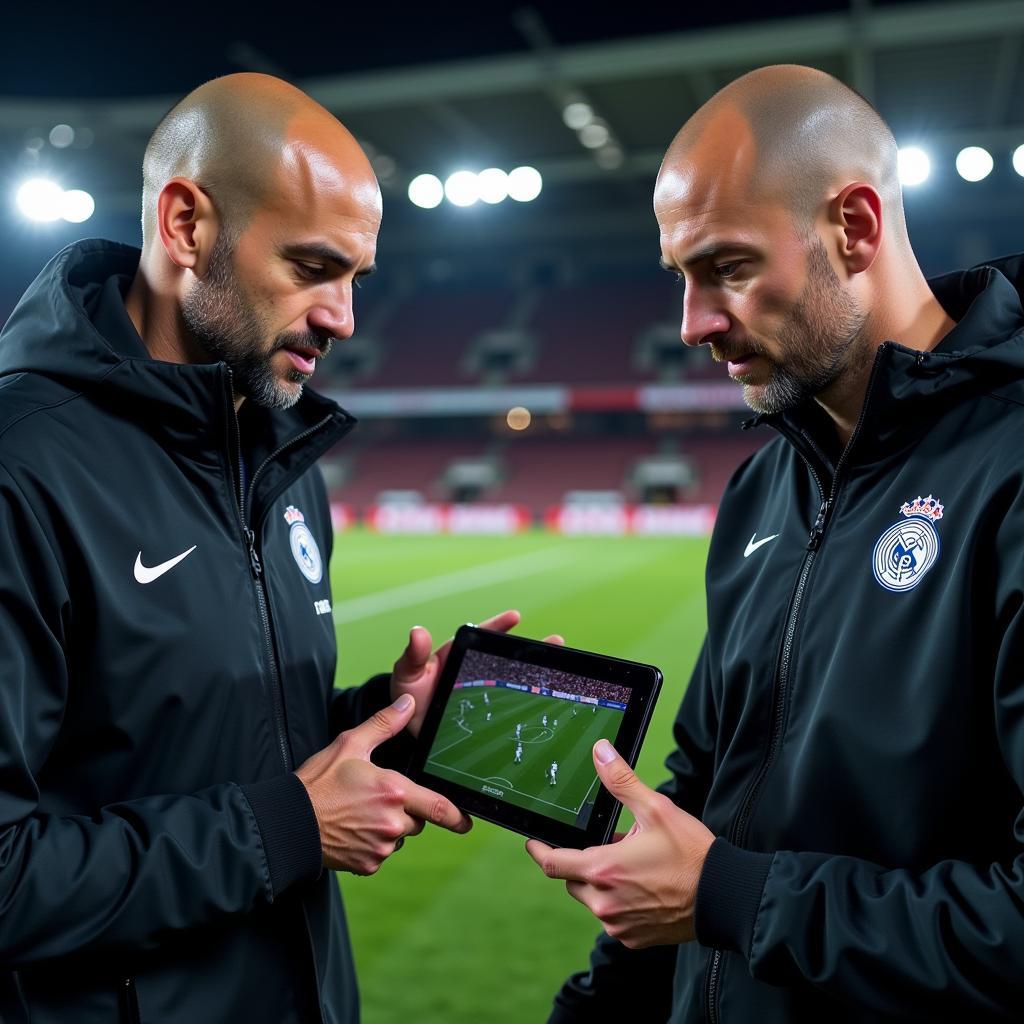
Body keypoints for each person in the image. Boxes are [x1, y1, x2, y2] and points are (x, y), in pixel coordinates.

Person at [0, 72, 526, 1024]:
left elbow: (203, 743)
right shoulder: (22, 466)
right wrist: (283, 828)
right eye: (313, 268)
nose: (345, 318)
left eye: (357, 280)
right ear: (187, 226)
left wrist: (386, 723)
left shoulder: (277, 458)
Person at [528, 64, 1024, 1022]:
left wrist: (733, 898)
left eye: (728, 267)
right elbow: (707, 805)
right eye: (681, 277)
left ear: (856, 228)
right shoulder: (765, 484)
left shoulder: (1007, 464)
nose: (692, 324)